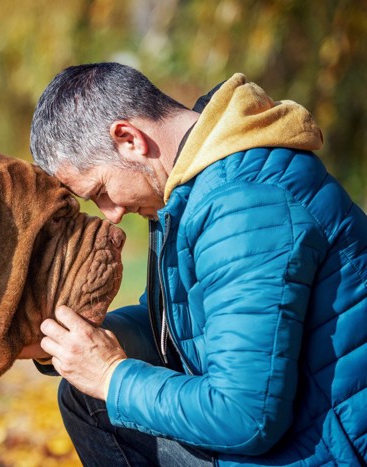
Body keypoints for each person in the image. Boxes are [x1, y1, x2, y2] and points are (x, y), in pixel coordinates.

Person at [21, 62, 367, 466]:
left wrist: (110, 376)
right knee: (85, 396)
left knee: (98, 397)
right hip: (295, 437)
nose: (111, 213)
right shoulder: (194, 187)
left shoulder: (244, 204)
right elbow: (175, 330)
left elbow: (245, 417)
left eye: (100, 191)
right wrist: (68, 341)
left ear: (128, 138)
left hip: (324, 452)